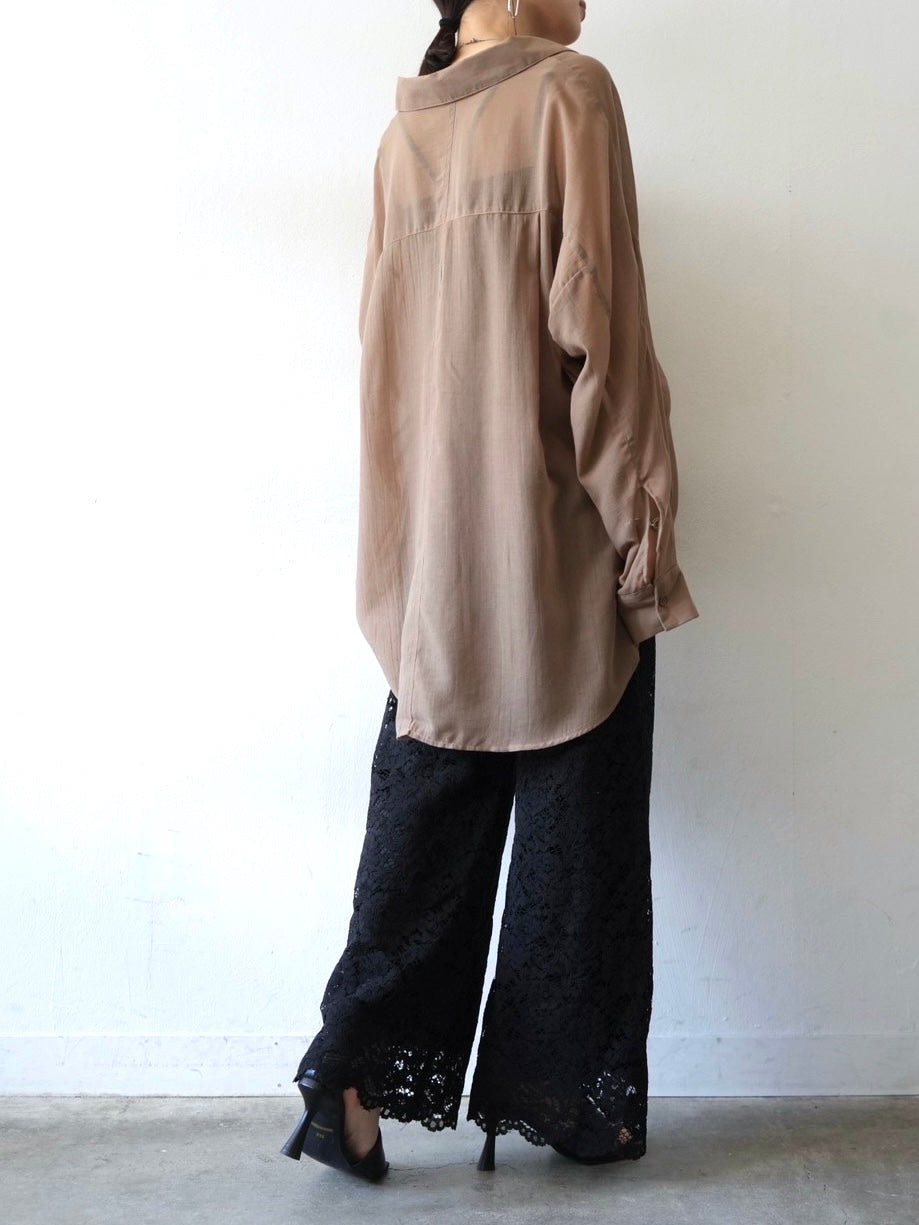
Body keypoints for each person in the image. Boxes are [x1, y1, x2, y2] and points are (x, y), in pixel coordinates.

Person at [281, 0, 700, 1182]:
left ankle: (347, 1070)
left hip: (428, 563)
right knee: (579, 841)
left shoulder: (401, 136)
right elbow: (601, 340)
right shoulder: (569, 93)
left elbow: (383, 361)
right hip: (558, 539)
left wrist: (397, 567)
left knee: (424, 827)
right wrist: (645, 547)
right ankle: (572, 1106)